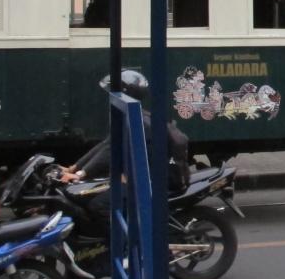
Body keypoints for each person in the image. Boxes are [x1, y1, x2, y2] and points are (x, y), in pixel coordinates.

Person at [59, 70, 189, 194]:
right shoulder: (131, 115)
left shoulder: (135, 121)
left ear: (125, 95)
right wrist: (74, 168)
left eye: (113, 93)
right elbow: (106, 144)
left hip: (149, 182)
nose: (110, 97)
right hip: (138, 177)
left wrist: (80, 174)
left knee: (97, 204)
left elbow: (110, 151)